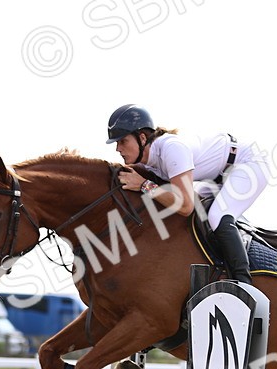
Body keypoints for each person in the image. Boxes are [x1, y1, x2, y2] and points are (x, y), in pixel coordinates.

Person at [106, 104, 268, 285]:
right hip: (217, 178)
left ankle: (244, 285)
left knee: (217, 216)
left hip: (248, 164)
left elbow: (184, 205)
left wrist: (144, 185)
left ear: (142, 138)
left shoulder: (170, 148)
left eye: (122, 141)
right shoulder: (146, 160)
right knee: (198, 216)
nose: (118, 148)